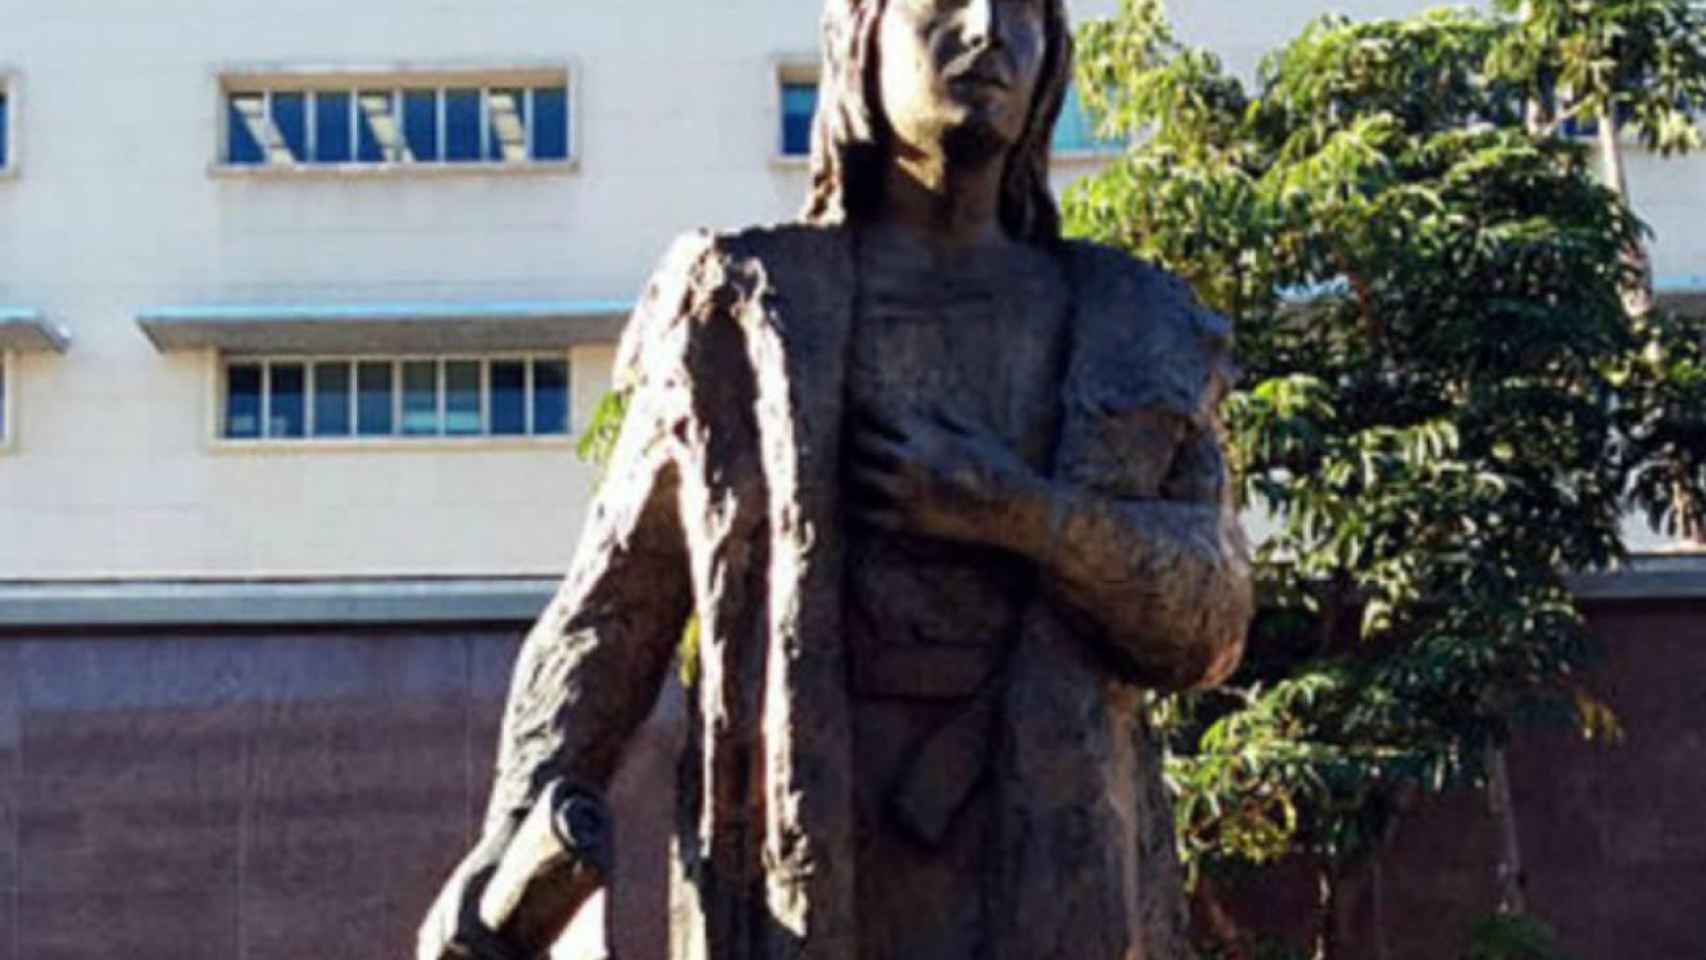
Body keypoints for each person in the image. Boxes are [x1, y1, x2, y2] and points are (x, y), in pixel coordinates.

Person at [421, 0, 1252, 957]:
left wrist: (1024, 516)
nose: (987, 29)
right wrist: (514, 824)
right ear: (858, 38)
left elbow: (1211, 617)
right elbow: (613, 609)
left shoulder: (1130, 320)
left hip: (1054, 851)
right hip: (803, 839)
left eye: (1024, 9)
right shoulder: (737, 310)